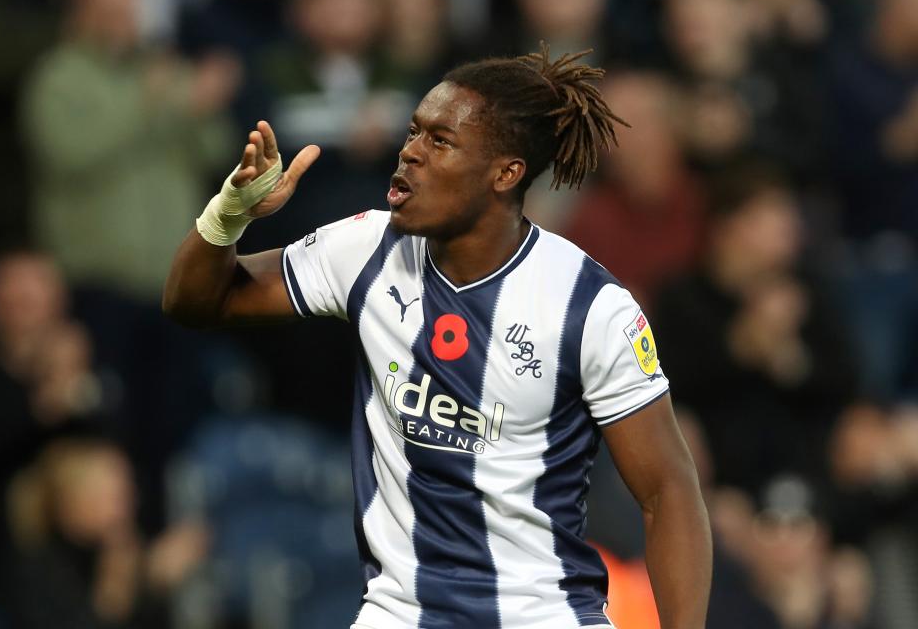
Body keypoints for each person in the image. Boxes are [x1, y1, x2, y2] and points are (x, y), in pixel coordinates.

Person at [163, 47, 711, 628]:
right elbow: (197, 303)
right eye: (413, 132)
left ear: (506, 173)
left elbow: (667, 493)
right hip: (399, 616)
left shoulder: (589, 308)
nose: (410, 153)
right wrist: (229, 215)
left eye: (440, 141)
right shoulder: (365, 251)